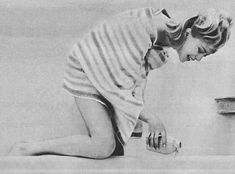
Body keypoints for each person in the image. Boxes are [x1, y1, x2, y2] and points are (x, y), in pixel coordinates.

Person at [8, 7, 232, 158]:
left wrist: (148, 135)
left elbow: (135, 79)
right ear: (190, 31)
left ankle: (29, 150)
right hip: (86, 67)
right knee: (104, 145)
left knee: (114, 150)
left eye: (206, 55)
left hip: (106, 74)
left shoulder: (164, 44)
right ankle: (27, 149)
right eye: (201, 50)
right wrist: (152, 119)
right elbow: (119, 83)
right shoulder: (147, 28)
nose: (199, 58)